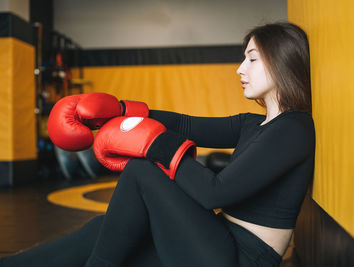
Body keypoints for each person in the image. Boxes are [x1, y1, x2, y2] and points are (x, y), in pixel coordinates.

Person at [0, 21, 315, 267]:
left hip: (241, 259)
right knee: (106, 231)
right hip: (215, 241)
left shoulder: (294, 128)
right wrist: (123, 111)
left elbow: (215, 192)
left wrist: (156, 144)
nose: (240, 69)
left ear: (280, 61)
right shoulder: (252, 124)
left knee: (142, 170)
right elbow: (184, 124)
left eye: (251, 59)